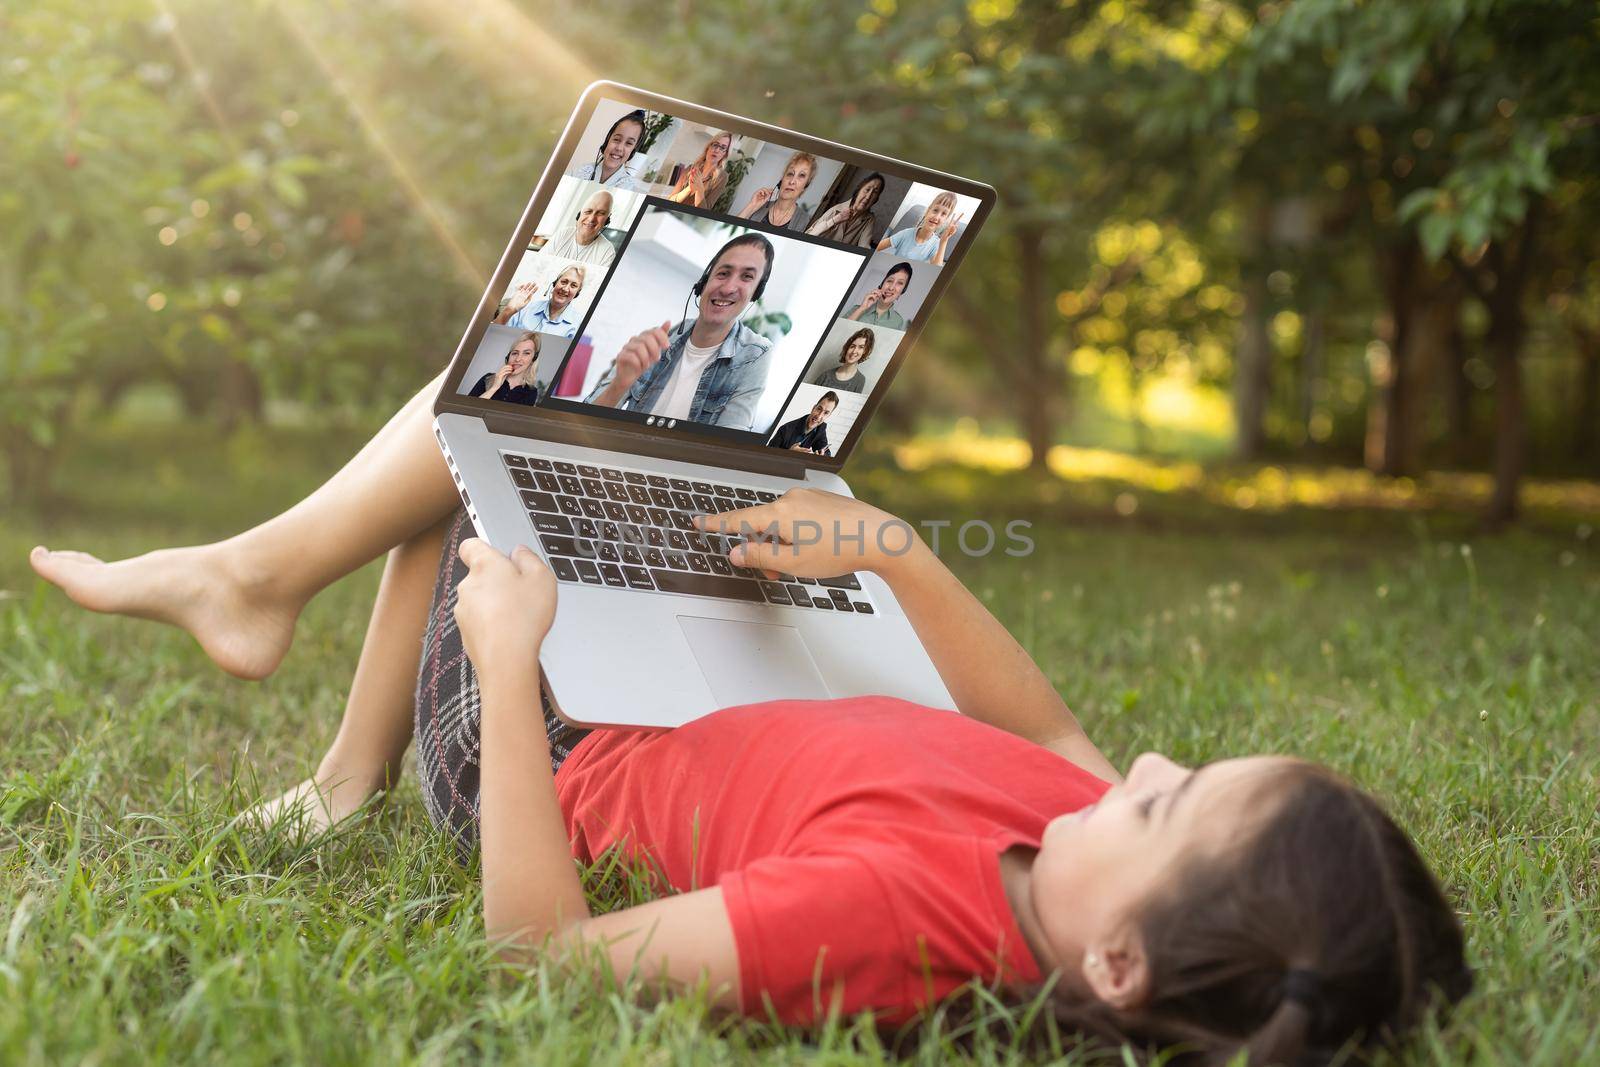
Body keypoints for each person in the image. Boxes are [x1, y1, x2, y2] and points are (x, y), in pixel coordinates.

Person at [26, 383, 1473, 1063]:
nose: (1146, 765)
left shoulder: (891, 917)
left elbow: (542, 946)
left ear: (1115, 958)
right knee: (535, 401)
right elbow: (1050, 721)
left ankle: (295, 656)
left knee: (491, 424)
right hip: (697, 678)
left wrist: (509, 647)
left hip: (565, 740)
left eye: (1167, 801)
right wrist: (889, 546)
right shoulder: (1066, 832)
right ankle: (290, 648)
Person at [583, 233, 775, 430]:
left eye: (747, 277)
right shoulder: (656, 341)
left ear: (756, 292)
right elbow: (585, 420)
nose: (728, 288)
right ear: (704, 281)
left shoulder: (755, 355)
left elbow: (729, 445)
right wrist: (619, 385)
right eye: (723, 273)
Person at [494, 264, 586, 339]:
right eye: (564, 282)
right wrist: (509, 310)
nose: (565, 289)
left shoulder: (579, 324)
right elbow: (494, 336)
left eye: (573, 285)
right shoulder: (525, 308)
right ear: (554, 284)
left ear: (577, 293)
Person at [735, 151, 816, 232]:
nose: (792, 181)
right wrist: (751, 206)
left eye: (801, 175)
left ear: (805, 186)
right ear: (781, 180)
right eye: (790, 174)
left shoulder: (804, 221)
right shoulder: (759, 207)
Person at [876, 190, 963, 266]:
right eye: (935, 210)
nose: (937, 217)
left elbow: (936, 268)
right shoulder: (906, 234)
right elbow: (877, 247)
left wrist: (944, 241)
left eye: (943, 214)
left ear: (945, 220)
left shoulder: (935, 244)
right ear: (928, 211)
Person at [568, 109, 648, 190]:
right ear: (608, 140)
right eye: (616, 139)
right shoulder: (577, 173)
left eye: (629, 143)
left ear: (634, 149)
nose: (619, 148)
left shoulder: (630, 188)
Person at [537, 189, 617, 268]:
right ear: (579, 215)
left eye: (601, 213)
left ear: (607, 220)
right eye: (588, 211)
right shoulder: (563, 233)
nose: (591, 219)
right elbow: (538, 265)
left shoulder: (607, 252)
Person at [805, 172, 886, 248]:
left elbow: (864, 247)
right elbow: (808, 236)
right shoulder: (836, 210)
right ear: (859, 190)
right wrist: (836, 219)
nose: (868, 197)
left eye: (875, 192)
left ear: (876, 199)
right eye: (867, 190)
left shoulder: (869, 219)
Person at [468, 332, 541, 406]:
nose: (518, 359)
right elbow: (468, 407)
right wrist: (494, 387)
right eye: (515, 353)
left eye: (526, 353)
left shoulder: (531, 392)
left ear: (533, 359)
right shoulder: (488, 378)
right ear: (508, 357)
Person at [666, 130, 732, 210]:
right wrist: (689, 189)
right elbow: (670, 200)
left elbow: (704, 211)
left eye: (722, 148)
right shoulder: (691, 169)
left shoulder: (722, 177)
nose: (717, 150)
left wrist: (699, 188)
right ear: (708, 147)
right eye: (715, 145)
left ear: (725, 154)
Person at [844, 261, 913, 331]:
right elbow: (838, 331)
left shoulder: (898, 321)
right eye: (890, 281)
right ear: (882, 284)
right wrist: (861, 309)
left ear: (902, 292)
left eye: (900, 283)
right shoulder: (856, 309)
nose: (891, 288)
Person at [807, 328, 874, 394]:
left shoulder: (860, 380)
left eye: (861, 347)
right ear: (847, 348)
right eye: (852, 346)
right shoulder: (826, 375)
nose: (854, 351)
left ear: (865, 351)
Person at [769, 392, 837, 454]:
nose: (819, 416)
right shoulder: (785, 429)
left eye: (826, 413)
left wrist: (822, 456)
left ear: (828, 416)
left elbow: (826, 452)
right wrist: (789, 453)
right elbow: (768, 453)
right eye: (819, 409)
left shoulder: (821, 429)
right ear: (813, 408)